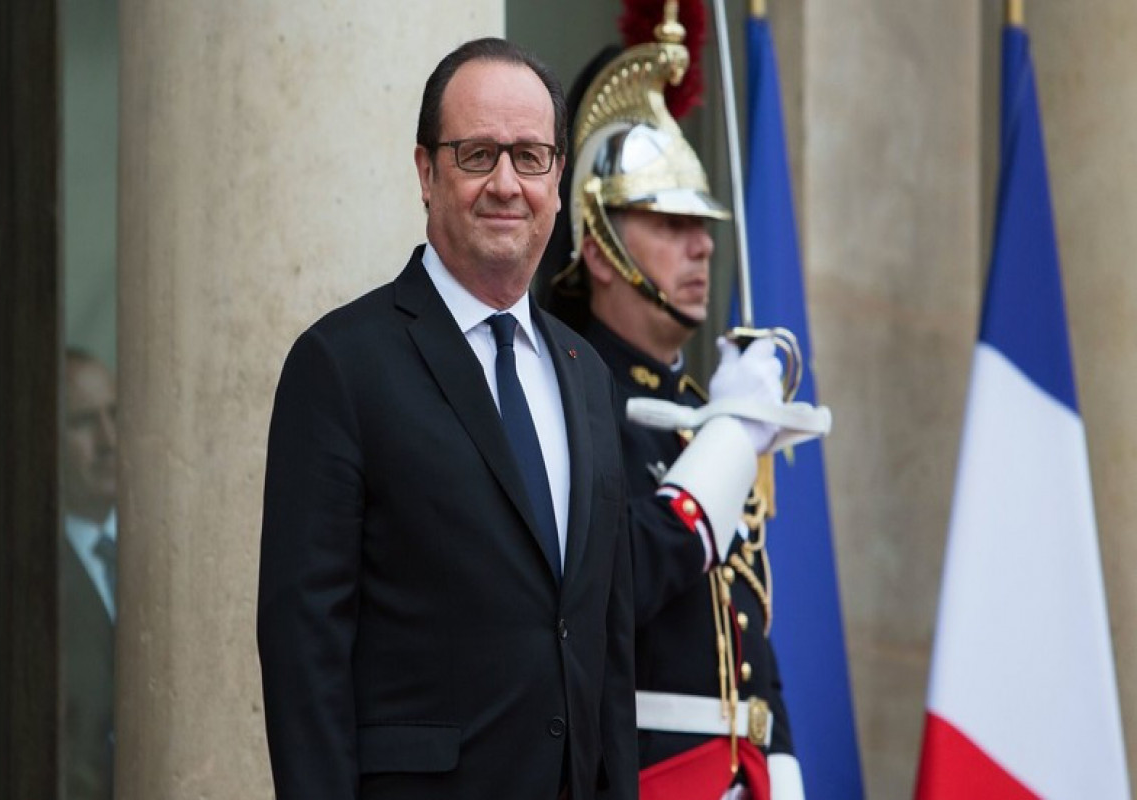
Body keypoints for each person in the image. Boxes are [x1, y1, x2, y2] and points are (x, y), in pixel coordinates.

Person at [257, 38, 637, 800]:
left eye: (530, 157)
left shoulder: (587, 375)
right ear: (426, 173)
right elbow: (304, 650)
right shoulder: (341, 365)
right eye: (477, 155)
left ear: (558, 178)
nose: (506, 184)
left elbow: (607, 644)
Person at [544, 13, 804, 800]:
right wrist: (727, 442)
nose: (704, 246)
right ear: (599, 250)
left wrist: (781, 768)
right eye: (671, 223)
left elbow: (750, 629)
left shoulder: (703, 409)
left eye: (704, 225)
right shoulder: (568, 394)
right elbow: (615, 578)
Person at [0, 348, 118, 800]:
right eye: (84, 421)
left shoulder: (165, 560)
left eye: (116, 414)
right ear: (45, 438)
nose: (109, 439)